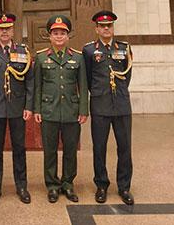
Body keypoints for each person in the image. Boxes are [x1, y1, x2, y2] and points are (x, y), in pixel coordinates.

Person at [0, 13, 34, 206]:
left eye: (8, 29)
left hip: (18, 108)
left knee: (19, 148)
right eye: (1, 29)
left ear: (13, 31)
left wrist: (29, 106)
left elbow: (30, 81)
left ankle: (21, 186)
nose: (4, 32)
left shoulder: (23, 51)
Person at [34, 15, 88, 203]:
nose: (59, 36)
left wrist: (83, 110)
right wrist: (37, 110)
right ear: (49, 36)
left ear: (68, 36)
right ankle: (52, 185)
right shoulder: (41, 57)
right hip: (49, 110)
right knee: (50, 151)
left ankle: (67, 183)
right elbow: (37, 87)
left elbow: (83, 85)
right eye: (55, 33)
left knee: (70, 150)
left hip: (71, 111)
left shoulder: (78, 57)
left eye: (62, 33)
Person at [82, 10, 135, 205]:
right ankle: (101, 185)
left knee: (125, 147)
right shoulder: (89, 50)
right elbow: (87, 79)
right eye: (102, 26)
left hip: (121, 105)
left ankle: (124, 186)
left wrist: (117, 93)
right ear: (96, 29)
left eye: (109, 25)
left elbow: (126, 76)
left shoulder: (124, 48)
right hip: (100, 105)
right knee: (99, 147)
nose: (106, 28)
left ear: (113, 28)